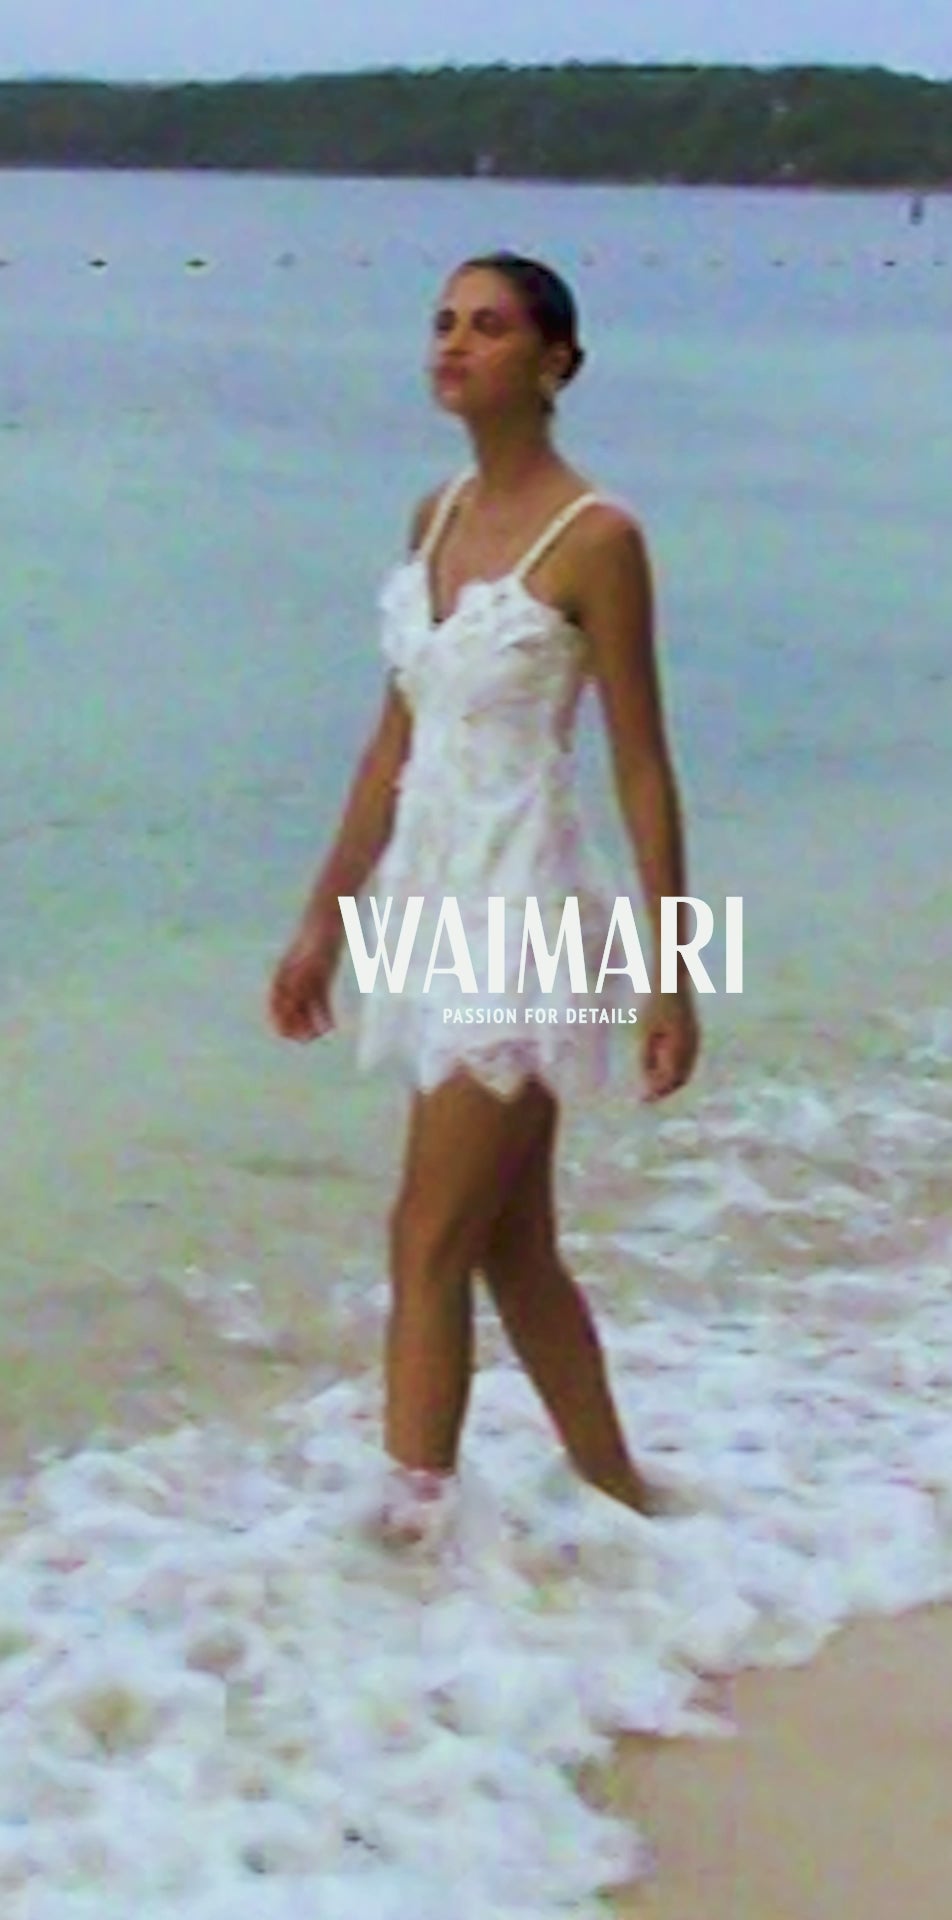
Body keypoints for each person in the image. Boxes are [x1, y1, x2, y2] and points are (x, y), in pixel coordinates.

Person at [268, 251, 700, 1540]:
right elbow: (391, 742)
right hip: (431, 899)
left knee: (425, 1235)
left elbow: (641, 763)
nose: (454, 344)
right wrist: (325, 918)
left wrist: (672, 971)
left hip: (525, 914)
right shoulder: (436, 515)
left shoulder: (600, 539)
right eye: (444, 322)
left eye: (490, 326)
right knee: (509, 1246)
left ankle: (412, 1543)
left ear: (555, 361)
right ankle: (632, 1508)